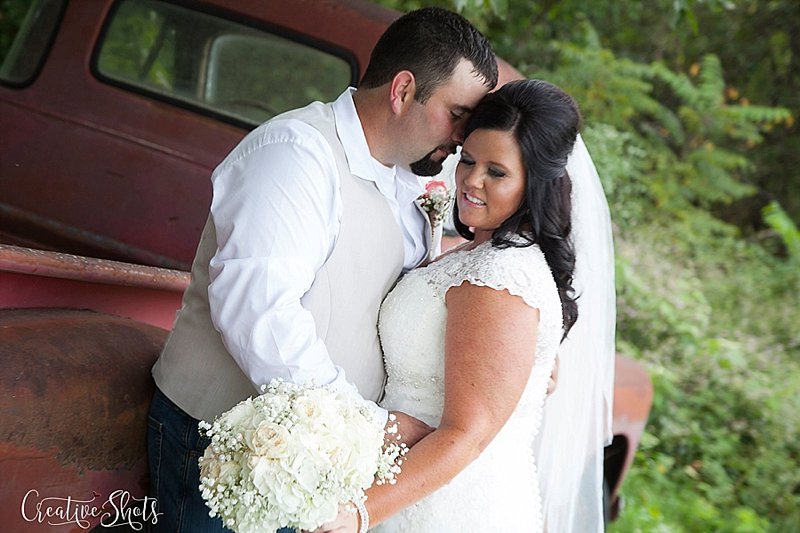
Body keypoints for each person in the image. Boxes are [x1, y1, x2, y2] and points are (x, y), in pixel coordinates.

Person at [145, 7, 498, 532]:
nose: (463, 138)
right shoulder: (296, 154)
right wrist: (368, 426)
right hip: (222, 447)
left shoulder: (414, 181)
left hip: (323, 464)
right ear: (402, 91)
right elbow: (258, 312)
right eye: (457, 113)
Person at [315, 79, 597, 533]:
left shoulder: (500, 278)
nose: (471, 181)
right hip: (406, 480)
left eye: (497, 173)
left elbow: (467, 433)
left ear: (535, 184)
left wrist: (357, 513)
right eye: (467, 160)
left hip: (441, 504)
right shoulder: (482, 256)